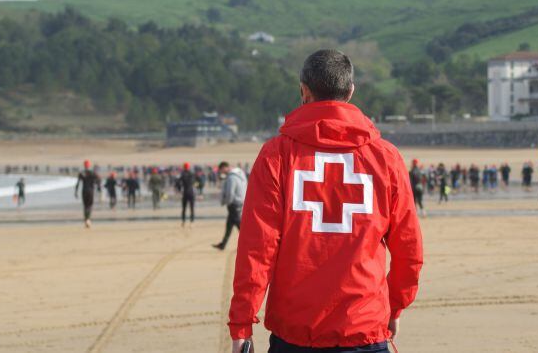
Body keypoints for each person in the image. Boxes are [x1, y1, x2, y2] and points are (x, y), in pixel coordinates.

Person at [228, 49, 423, 353]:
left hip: (294, 334)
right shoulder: (386, 158)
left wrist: (242, 324)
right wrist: (394, 306)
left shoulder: (276, 155)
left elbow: (257, 248)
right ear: (351, 91)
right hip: (365, 327)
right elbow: (409, 250)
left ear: (303, 91)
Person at [213, 161, 247, 250]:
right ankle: (223, 245)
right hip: (238, 202)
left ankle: (249, 243)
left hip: (234, 204)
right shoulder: (238, 174)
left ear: (224, 168)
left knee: (239, 225)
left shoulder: (231, 178)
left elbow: (230, 193)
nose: (221, 172)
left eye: (221, 170)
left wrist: (225, 202)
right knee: (229, 225)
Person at [75, 160, 101, 228]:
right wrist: (99, 188)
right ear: (89, 165)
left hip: (84, 191)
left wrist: (76, 192)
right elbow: (98, 180)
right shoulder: (92, 173)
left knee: (85, 206)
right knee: (90, 206)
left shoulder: (81, 173)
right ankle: (88, 219)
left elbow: (77, 183)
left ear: (84, 165)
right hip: (91, 191)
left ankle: (86, 220)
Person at [176, 162, 197, 227]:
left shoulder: (182, 174)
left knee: (184, 208)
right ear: (189, 167)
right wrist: (198, 189)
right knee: (192, 208)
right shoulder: (192, 174)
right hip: (191, 192)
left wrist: (179, 189)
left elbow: (177, 183)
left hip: (185, 192)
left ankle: (183, 221)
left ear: (184, 167)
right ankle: (192, 222)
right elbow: (198, 181)